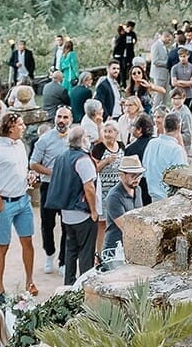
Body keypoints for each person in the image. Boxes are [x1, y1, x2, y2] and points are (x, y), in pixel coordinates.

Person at [0, 112, 37, 301]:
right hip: (5, 203)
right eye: (20, 124)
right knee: (3, 245)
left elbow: (22, 169)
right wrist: (0, 204)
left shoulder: (20, 145)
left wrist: (28, 177)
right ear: (10, 127)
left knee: (27, 241)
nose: (23, 127)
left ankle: (30, 281)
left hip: (23, 199)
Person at [44, 126, 100, 285]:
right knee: (86, 252)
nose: (89, 140)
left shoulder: (62, 156)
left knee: (71, 250)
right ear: (82, 140)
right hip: (82, 212)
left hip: (67, 213)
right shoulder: (82, 159)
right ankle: (85, 286)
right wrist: (94, 211)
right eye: (87, 137)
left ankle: (68, 285)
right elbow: (89, 187)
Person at [30, 106, 73, 274]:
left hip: (68, 186)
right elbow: (33, 163)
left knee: (67, 225)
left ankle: (63, 260)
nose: (61, 120)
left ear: (70, 119)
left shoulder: (75, 137)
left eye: (65, 117)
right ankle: (49, 254)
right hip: (48, 185)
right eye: (59, 117)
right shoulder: (45, 139)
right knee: (47, 224)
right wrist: (51, 172)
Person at [102, 156, 148, 258]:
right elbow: (126, 227)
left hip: (131, 247)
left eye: (139, 175)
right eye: (133, 176)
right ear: (122, 175)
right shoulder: (114, 196)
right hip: (115, 250)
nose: (137, 179)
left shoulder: (138, 190)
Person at [140, 113, 188, 202]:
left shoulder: (152, 143)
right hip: (169, 198)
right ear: (179, 127)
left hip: (153, 194)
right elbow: (183, 176)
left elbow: (144, 169)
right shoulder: (177, 150)